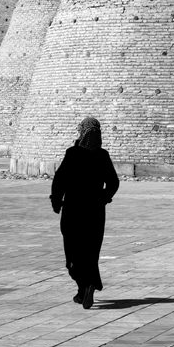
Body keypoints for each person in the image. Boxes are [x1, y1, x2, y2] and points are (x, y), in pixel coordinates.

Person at [50, 116, 119, 309]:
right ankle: (87, 287)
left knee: (73, 252)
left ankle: (84, 287)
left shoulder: (73, 153)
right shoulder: (102, 155)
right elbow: (113, 182)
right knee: (90, 251)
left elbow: (60, 179)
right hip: (95, 212)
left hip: (73, 210)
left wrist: (56, 201)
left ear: (82, 132)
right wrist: (104, 197)